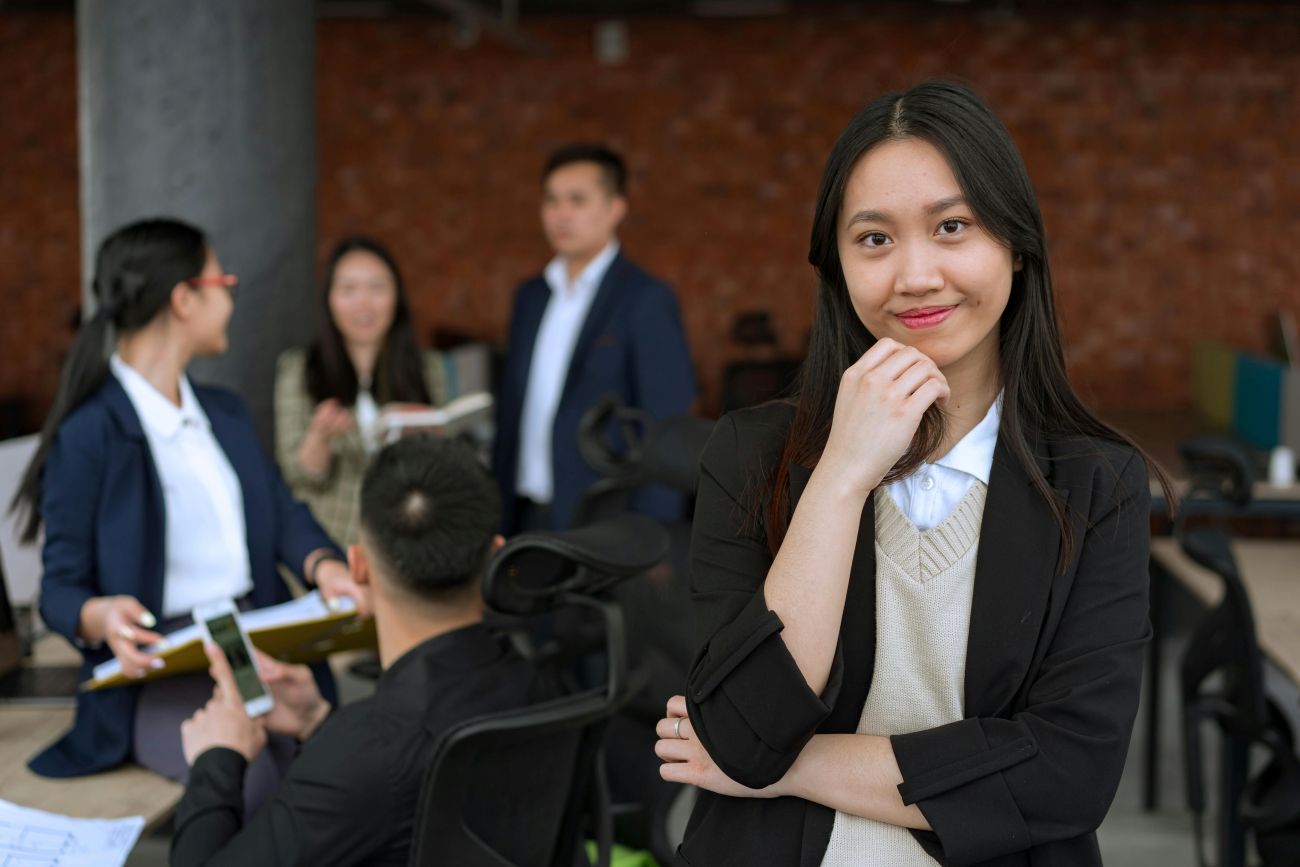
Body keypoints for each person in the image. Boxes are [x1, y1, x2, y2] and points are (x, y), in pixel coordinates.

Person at [654, 81, 1175, 866]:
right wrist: (841, 475)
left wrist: (791, 766)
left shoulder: (1096, 482)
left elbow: (1069, 774)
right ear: (836, 266)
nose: (916, 274)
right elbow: (743, 726)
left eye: (952, 227)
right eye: (874, 238)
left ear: (1017, 244)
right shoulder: (751, 454)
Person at [9, 218, 360, 784]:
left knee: (322, 764)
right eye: (223, 283)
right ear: (183, 299)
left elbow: (281, 512)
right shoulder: (91, 434)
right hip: (163, 664)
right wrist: (102, 616)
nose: (230, 301)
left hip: (252, 640)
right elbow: (60, 591)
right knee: (247, 779)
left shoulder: (224, 411)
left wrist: (325, 566)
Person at [170, 436, 536, 866]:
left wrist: (217, 759)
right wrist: (317, 721)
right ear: (495, 554)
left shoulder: (365, 752)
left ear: (358, 566)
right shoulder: (540, 682)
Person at [493, 143, 696, 534]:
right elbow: (511, 412)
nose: (561, 214)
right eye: (551, 201)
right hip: (525, 514)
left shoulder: (645, 298)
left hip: (607, 520)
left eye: (577, 200)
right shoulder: (531, 297)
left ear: (615, 208)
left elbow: (666, 424)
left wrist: (655, 534)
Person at [275, 236, 453, 548]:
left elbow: (443, 470)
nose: (363, 304)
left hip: (409, 544)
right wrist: (320, 437)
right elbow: (299, 477)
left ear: (397, 296)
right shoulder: (300, 369)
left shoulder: (428, 368)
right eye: (348, 290)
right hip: (330, 542)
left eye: (377, 288)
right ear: (329, 299)